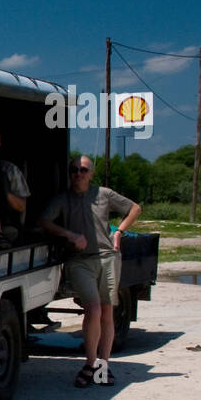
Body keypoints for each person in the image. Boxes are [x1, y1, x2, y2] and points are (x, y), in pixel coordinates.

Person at [37, 156, 142, 387]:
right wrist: (69, 234)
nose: (78, 174)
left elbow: (135, 208)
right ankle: (90, 363)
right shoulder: (63, 199)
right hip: (79, 260)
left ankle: (103, 366)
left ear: (91, 173)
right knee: (92, 308)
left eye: (83, 170)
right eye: (74, 170)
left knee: (106, 311)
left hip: (107, 257)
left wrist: (119, 232)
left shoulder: (103, 194)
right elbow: (44, 220)